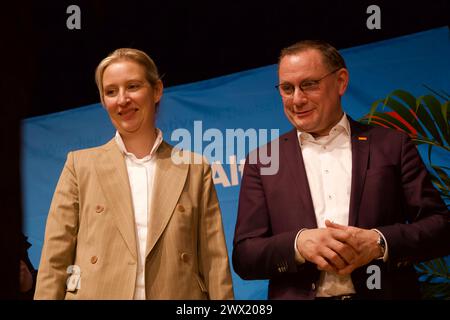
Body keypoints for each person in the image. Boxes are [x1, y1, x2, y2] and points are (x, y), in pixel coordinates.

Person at [232, 40, 450, 299]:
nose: (297, 99)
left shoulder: (392, 145)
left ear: (341, 82)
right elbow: (245, 256)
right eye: (287, 88)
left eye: (309, 84)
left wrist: (378, 243)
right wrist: (298, 244)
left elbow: (441, 229)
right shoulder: (263, 160)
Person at [34, 48, 234, 300]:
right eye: (111, 91)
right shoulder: (80, 165)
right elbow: (54, 259)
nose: (122, 99)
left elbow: (215, 261)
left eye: (133, 86)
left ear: (157, 90)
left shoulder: (194, 167)